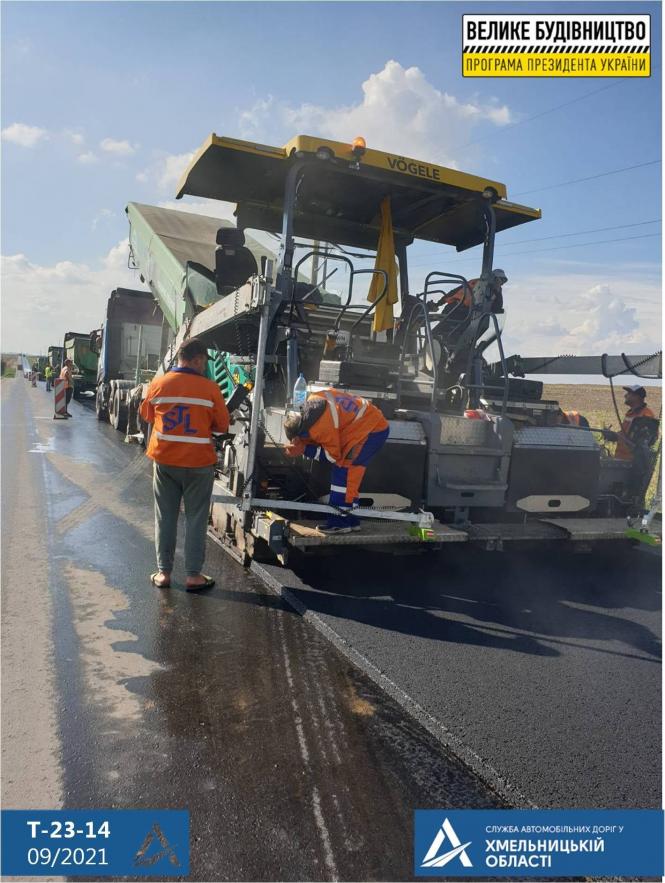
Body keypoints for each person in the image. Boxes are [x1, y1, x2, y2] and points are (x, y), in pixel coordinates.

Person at [139, 337, 229, 590]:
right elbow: (222, 425)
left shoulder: (158, 384)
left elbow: (146, 415)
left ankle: (163, 573)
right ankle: (193, 576)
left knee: (165, 516)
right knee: (196, 518)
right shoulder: (211, 389)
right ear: (197, 359)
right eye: (203, 362)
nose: (204, 367)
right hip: (199, 465)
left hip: (165, 461)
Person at [283, 388, 389, 534]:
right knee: (348, 477)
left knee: (343, 473)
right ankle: (352, 521)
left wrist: (304, 450)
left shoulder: (320, 428)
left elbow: (332, 456)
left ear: (297, 436)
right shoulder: (313, 401)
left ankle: (339, 523)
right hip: (369, 423)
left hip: (371, 430)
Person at [602, 385, 658, 460]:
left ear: (637, 397)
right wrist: (612, 435)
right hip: (621, 459)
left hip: (633, 463)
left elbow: (644, 442)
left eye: (629, 393)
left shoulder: (646, 415)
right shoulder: (630, 414)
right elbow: (625, 435)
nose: (625, 396)